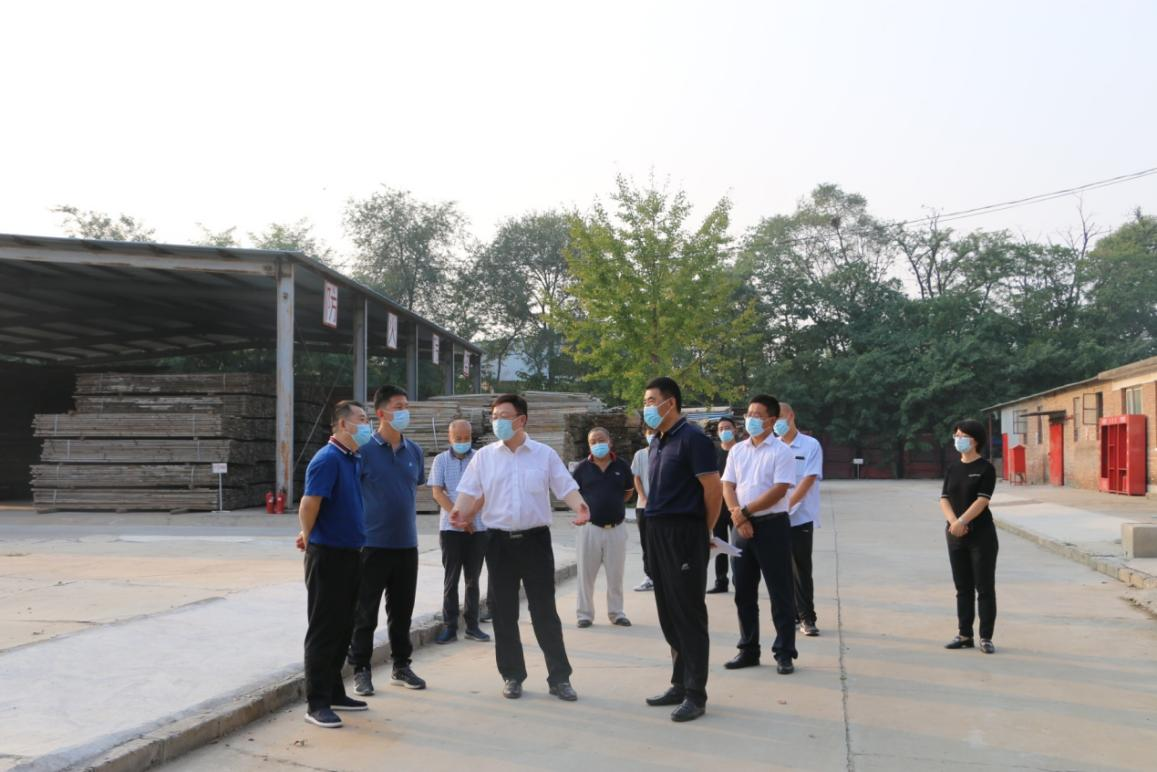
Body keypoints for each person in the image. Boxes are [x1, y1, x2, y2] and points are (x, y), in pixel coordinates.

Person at [450, 394, 591, 702]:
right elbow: (468, 491)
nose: (497, 422)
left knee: (545, 612)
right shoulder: (484, 457)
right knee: (503, 613)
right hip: (498, 543)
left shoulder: (544, 454)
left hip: (535, 542)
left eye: (504, 416)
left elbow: (565, 487)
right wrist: (459, 512)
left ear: (521, 420)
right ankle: (512, 675)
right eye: (494, 417)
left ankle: (560, 678)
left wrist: (580, 508)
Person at [640, 376, 722, 723]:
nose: (646, 407)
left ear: (669, 402)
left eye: (650, 400)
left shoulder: (693, 439)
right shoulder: (658, 441)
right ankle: (678, 682)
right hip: (657, 531)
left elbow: (713, 490)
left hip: (684, 534)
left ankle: (695, 693)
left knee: (688, 614)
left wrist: (703, 531)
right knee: (668, 613)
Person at [296, 400, 371, 728]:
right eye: (362, 419)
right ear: (343, 424)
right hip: (327, 555)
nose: (367, 425)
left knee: (344, 627)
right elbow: (309, 503)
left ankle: (335, 691)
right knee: (324, 629)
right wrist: (308, 536)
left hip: (351, 553)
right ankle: (317, 703)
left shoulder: (352, 458)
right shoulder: (327, 459)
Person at [348, 386, 427, 696]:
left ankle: (401, 666)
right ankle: (361, 669)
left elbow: (411, 488)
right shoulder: (363, 450)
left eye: (406, 405)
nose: (404, 411)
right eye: (398, 406)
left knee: (402, 612)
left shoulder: (414, 451)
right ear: (380, 413)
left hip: (406, 545)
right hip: (371, 545)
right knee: (365, 612)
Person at [721, 394, 798, 675]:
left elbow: (779, 490)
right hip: (740, 527)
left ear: (771, 420)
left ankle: (784, 652)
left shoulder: (781, 452)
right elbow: (727, 485)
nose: (750, 419)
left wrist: (745, 512)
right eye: (749, 414)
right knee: (743, 591)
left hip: (772, 526)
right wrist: (736, 514)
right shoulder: (737, 451)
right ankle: (748, 649)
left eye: (757, 415)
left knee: (780, 592)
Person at [429, 419, 490, 645]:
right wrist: (458, 516)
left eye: (467, 438)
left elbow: (485, 491)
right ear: (450, 438)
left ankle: (472, 626)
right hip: (450, 529)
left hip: (478, 527)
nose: (463, 442)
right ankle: (450, 626)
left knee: (473, 579)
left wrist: (469, 516)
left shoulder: (481, 459)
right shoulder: (441, 460)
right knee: (451, 578)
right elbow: (437, 492)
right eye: (458, 438)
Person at [941, 418, 999, 654]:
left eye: (962, 436)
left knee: (984, 587)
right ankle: (965, 634)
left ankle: (986, 637)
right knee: (962, 587)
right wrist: (953, 523)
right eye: (956, 435)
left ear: (975, 440)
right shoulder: (953, 468)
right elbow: (944, 499)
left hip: (981, 536)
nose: (958, 439)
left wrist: (963, 521)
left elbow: (982, 500)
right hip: (955, 535)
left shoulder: (986, 468)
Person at [572, 426, 635, 627]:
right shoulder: (581, 468)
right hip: (590, 528)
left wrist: (612, 504)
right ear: (588, 445)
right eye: (593, 442)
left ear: (610, 442)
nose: (597, 444)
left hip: (616, 528)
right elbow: (574, 494)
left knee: (615, 574)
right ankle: (584, 615)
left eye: (601, 440)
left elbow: (628, 492)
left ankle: (617, 613)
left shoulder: (622, 466)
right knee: (586, 575)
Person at [775, 403, 824, 637]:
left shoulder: (810, 445)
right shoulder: (772, 446)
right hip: (774, 516)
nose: (777, 422)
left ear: (791, 416)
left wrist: (786, 506)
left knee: (801, 568)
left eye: (780, 417)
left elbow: (808, 480)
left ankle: (807, 617)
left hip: (800, 517)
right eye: (773, 418)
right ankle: (792, 614)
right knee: (781, 569)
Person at [707, 416, 738, 594]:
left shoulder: (742, 451)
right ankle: (721, 581)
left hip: (737, 506)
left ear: (735, 430)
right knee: (719, 544)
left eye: (727, 428)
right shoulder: (714, 453)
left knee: (737, 545)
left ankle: (739, 580)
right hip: (718, 505)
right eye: (721, 429)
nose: (724, 431)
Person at [630, 427, 656, 591]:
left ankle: (665, 576)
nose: (652, 436)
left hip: (663, 506)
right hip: (643, 506)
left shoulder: (666, 452)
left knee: (663, 543)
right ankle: (649, 576)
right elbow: (637, 478)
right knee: (646, 543)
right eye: (649, 433)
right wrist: (643, 496)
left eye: (655, 432)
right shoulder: (640, 455)